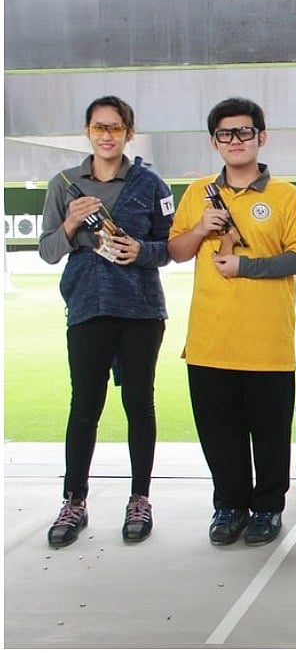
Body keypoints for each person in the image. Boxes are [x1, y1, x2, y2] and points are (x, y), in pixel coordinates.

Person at [168, 97, 296, 547]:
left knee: (269, 435)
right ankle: (229, 506)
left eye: (244, 132)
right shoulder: (197, 193)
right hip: (210, 339)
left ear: (261, 137)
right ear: (214, 142)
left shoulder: (285, 195)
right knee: (219, 434)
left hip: (266, 341)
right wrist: (200, 228)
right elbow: (176, 252)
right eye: (226, 134)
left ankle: (268, 508)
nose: (235, 140)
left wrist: (245, 266)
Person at [38, 95, 175, 548]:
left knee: (139, 403)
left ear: (129, 133)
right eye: (99, 127)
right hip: (87, 308)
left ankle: (140, 498)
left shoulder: (151, 184)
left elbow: (170, 248)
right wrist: (70, 226)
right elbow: (48, 251)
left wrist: (142, 250)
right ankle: (73, 500)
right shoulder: (64, 185)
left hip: (140, 310)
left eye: (116, 127)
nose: (107, 135)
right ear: (88, 131)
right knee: (84, 406)